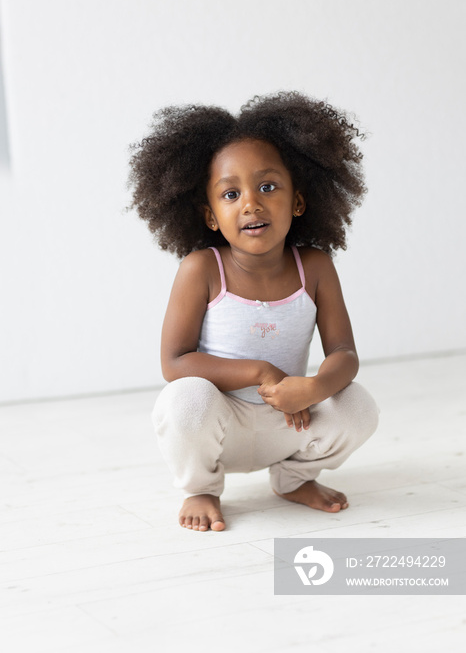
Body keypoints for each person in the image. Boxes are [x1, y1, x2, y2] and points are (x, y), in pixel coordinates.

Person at [128, 91, 379, 532]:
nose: (251, 202)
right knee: (184, 399)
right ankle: (201, 487)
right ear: (210, 216)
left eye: (267, 186)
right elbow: (175, 363)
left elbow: (345, 353)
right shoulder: (203, 269)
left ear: (298, 202)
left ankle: (293, 478)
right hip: (219, 424)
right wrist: (261, 371)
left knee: (357, 405)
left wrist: (316, 387)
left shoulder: (315, 267)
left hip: (291, 419)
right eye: (230, 193)